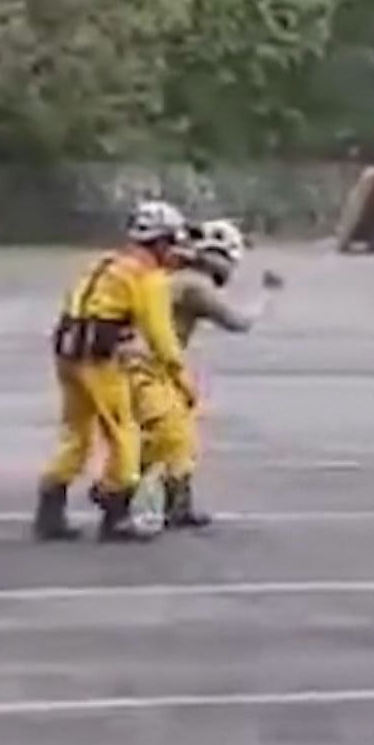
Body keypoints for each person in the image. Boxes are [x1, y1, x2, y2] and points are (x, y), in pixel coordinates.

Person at [35, 200, 193, 543]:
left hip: (67, 354)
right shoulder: (147, 278)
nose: (175, 252)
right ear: (160, 242)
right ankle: (115, 511)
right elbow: (161, 337)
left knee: (76, 434)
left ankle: (49, 509)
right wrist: (180, 378)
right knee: (124, 434)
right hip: (98, 360)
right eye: (173, 243)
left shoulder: (106, 264)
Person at [131, 218, 283, 530]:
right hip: (148, 365)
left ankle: (168, 500)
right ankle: (119, 489)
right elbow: (239, 321)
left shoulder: (178, 277)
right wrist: (267, 295)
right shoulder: (194, 284)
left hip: (154, 365)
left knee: (175, 435)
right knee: (172, 436)